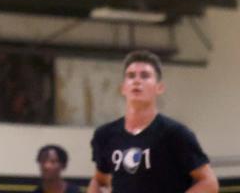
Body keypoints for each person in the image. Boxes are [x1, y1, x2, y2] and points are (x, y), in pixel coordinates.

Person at [87, 50, 218, 193]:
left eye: (145, 76)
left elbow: (209, 183)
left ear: (159, 87)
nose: (137, 81)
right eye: (131, 76)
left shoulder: (175, 133)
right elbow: (99, 180)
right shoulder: (105, 134)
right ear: (123, 88)